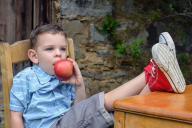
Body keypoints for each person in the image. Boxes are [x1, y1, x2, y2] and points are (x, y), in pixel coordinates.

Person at [10, 24, 186, 128]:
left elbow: (81, 109)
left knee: (116, 113)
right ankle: (150, 73)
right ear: (34, 56)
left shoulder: (65, 77)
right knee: (102, 105)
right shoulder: (25, 79)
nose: (59, 54)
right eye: (50, 49)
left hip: (71, 123)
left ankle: (157, 82)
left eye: (62, 49)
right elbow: (16, 116)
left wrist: (78, 84)